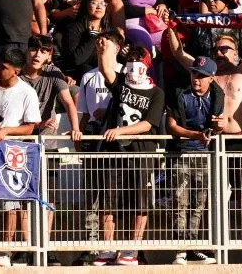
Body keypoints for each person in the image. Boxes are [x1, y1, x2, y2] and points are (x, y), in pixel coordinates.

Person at [88, 33, 163, 266]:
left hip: (141, 152)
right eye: (129, 64)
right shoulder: (121, 83)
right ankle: (108, 248)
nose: (132, 70)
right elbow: (106, 70)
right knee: (109, 201)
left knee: (139, 202)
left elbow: (148, 124)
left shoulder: (156, 92)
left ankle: (132, 249)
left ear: (145, 67)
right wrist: (102, 50)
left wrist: (121, 131)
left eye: (136, 65)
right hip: (115, 153)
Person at [0, 45, 40, 267]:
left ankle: (7, 250)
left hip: (12, 155)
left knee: (11, 204)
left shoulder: (27, 92)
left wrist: (6, 131)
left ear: (16, 70)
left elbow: (30, 127)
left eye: (3, 67)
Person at [167, 55, 221, 265]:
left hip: (204, 155)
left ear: (211, 78)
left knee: (199, 203)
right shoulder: (180, 94)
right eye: (194, 73)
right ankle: (180, 248)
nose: (196, 78)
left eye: (202, 75)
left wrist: (219, 127)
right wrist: (196, 135)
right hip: (181, 154)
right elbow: (172, 126)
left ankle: (193, 246)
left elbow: (220, 126)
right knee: (179, 201)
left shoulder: (216, 96)